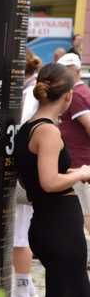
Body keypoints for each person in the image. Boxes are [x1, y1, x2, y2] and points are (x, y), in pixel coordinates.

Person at [15, 62, 90, 297]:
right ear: (68, 96)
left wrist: (68, 174)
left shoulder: (28, 130)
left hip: (48, 221)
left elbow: (33, 180)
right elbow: (47, 182)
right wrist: (82, 173)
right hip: (59, 225)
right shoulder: (48, 132)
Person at [11, 48, 41, 297]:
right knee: (20, 233)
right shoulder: (29, 92)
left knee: (20, 236)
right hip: (26, 172)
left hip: (24, 173)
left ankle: (21, 291)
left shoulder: (30, 95)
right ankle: (27, 287)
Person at [58, 53, 90, 237]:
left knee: (84, 212)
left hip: (79, 162)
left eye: (67, 70)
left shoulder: (76, 94)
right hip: (81, 161)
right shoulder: (84, 90)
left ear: (76, 71)